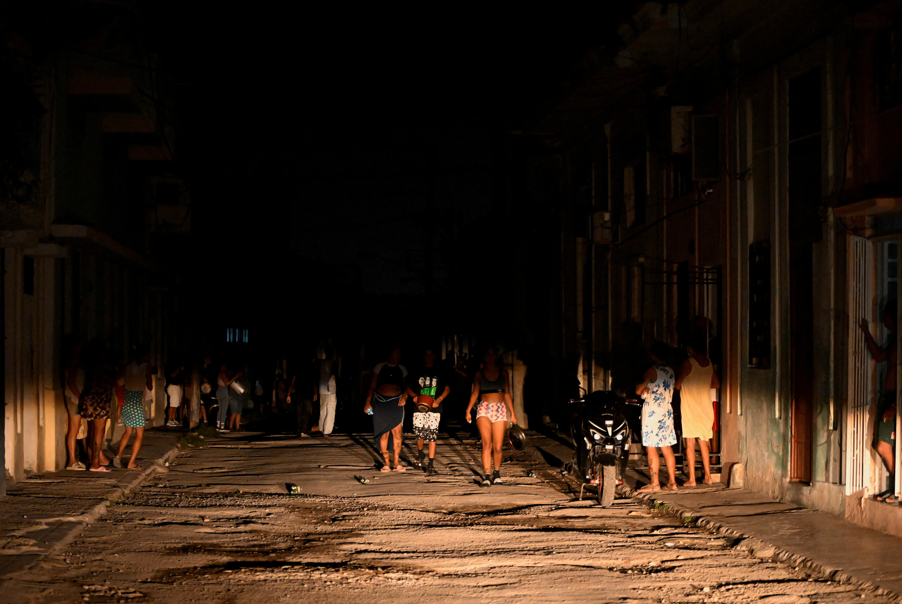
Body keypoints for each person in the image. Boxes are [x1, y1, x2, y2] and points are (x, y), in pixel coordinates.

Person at [859, 298, 897, 503]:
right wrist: (865, 332)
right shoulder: (894, 341)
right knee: (884, 444)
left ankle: (899, 486)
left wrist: (894, 405)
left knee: (882, 445)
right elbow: (879, 357)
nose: (883, 319)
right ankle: (895, 486)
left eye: (885, 315)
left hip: (894, 402)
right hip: (889, 400)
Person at [466, 347, 517, 486]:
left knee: (498, 446)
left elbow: (507, 392)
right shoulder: (479, 374)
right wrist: (468, 409)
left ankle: (497, 473)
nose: (490, 357)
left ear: (495, 357)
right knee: (486, 443)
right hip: (484, 408)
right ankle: (487, 475)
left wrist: (512, 413)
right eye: (488, 355)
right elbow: (475, 392)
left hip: (500, 408)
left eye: (492, 355)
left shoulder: (503, 372)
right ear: (484, 357)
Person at [675, 336, 720, 486]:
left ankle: (692, 479)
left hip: (690, 407)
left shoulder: (689, 363)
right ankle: (708, 476)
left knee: (689, 443)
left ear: (690, 349)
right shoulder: (708, 363)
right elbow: (716, 383)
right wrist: (702, 386)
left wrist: (690, 388)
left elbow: (678, 385)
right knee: (704, 442)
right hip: (705, 406)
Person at [635, 342, 679, 492]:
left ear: (654, 356)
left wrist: (642, 387)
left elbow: (639, 389)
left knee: (651, 447)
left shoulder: (652, 370)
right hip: (666, 410)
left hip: (653, 411)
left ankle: (654, 483)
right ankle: (672, 483)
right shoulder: (671, 371)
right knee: (666, 446)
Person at [406, 348, 450, 475]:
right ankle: (420, 454)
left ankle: (431, 464)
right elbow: (408, 387)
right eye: (426, 355)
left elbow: (447, 388)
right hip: (419, 407)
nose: (428, 357)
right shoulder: (417, 370)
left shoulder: (439, 371)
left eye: (431, 355)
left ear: (434, 356)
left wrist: (439, 399)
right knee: (419, 433)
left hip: (434, 408)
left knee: (432, 435)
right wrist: (414, 396)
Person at [364, 347, 408, 472]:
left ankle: (396, 462)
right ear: (390, 353)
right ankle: (386, 463)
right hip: (381, 402)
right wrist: (368, 402)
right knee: (383, 433)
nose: (398, 355)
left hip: (396, 403)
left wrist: (405, 396)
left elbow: (406, 386)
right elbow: (372, 385)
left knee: (397, 433)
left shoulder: (402, 369)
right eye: (396, 352)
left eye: (400, 352)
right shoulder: (380, 367)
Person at [78, 339, 115, 472]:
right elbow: (111, 380)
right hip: (99, 400)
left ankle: (95, 459)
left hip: (93, 399)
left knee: (93, 432)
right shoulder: (98, 366)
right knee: (98, 433)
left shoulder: (90, 365)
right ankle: (95, 463)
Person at [114, 345, 152, 470]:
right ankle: (131, 462)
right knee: (139, 434)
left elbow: (118, 379)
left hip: (127, 401)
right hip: (136, 402)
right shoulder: (146, 368)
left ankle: (118, 455)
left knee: (128, 431)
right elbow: (150, 386)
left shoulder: (127, 366)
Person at [63, 337, 87, 470]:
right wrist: (80, 398)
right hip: (74, 398)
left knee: (76, 429)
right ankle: (72, 460)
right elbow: (71, 382)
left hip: (75, 397)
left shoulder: (76, 362)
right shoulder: (73, 362)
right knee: (73, 429)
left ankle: (74, 459)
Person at [317, 347, 338, 436]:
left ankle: (321, 428)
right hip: (331, 388)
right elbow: (335, 374)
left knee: (322, 409)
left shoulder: (320, 363)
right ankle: (327, 430)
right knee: (330, 409)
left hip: (322, 387)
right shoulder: (333, 363)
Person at [216, 363, 242, 432]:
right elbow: (226, 383)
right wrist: (235, 378)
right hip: (223, 390)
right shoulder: (223, 374)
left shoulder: (219, 374)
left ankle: (218, 425)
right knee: (224, 409)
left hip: (219, 390)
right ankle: (222, 426)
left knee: (220, 409)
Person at [166, 363, 185, 427]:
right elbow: (172, 375)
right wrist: (179, 368)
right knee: (172, 404)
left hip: (178, 386)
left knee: (176, 405)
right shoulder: (172, 368)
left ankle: (173, 419)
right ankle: (169, 420)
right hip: (173, 386)